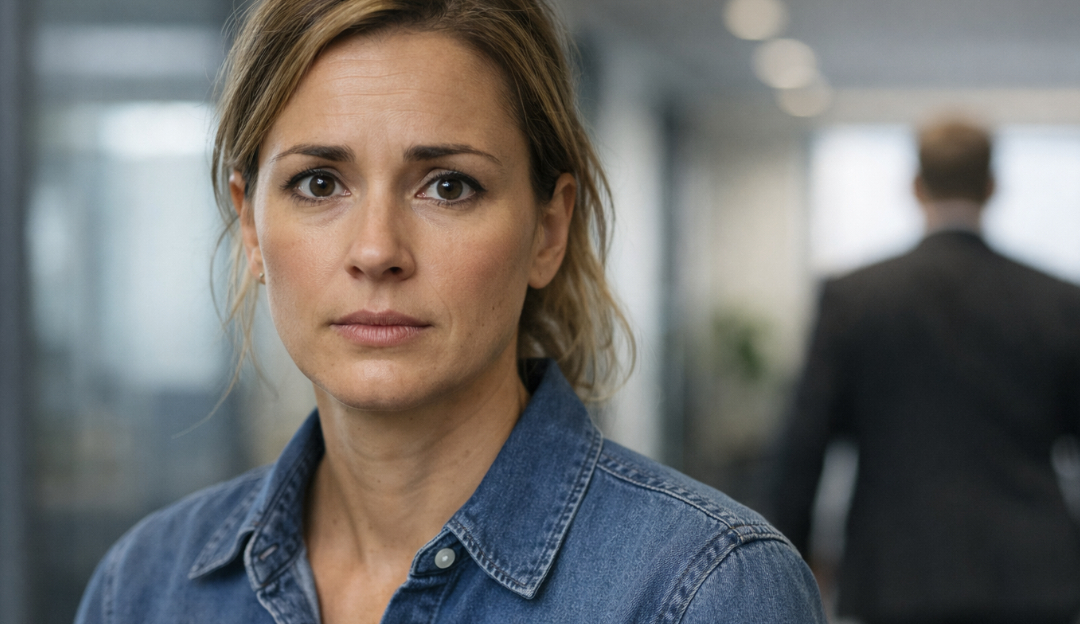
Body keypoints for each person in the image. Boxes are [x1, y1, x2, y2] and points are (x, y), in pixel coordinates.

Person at [74, 0, 826, 622]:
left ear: (548, 230)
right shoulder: (143, 587)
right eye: (318, 184)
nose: (376, 250)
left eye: (448, 186)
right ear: (250, 227)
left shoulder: (704, 591)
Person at [770, 118, 1080, 624]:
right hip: (1036, 578)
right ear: (992, 188)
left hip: (896, 576)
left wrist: (786, 578)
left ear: (916, 187)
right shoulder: (1062, 302)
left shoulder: (853, 299)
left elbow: (802, 451)